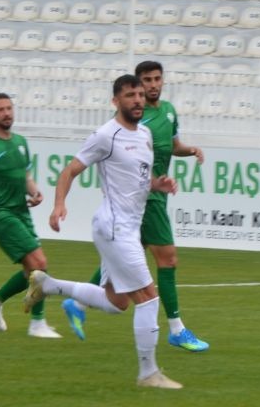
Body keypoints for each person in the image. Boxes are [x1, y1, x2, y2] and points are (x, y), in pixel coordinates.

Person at [25, 74, 184, 391]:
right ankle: (148, 373)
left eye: (140, 94)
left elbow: (138, 175)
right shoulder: (105, 135)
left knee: (116, 303)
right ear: (116, 101)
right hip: (114, 226)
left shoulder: (146, 135)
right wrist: (58, 205)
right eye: (130, 95)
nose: (138, 100)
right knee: (149, 297)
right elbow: (70, 170)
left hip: (126, 226)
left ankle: (48, 285)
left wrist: (157, 183)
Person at [63, 61, 209, 352]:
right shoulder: (136, 122)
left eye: (156, 79)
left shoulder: (167, 111)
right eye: (146, 81)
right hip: (146, 197)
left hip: (152, 194)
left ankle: (77, 301)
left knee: (120, 260)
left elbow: (172, 145)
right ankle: (177, 329)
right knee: (167, 259)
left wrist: (189, 150)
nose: (152, 86)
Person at [0, 93, 62, 338]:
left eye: (9, 108)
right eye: (0, 109)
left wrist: (35, 192)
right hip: (0, 214)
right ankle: (37, 323)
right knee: (40, 264)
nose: (6, 113)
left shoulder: (20, 142)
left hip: (22, 211)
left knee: (29, 271)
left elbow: (26, 177)